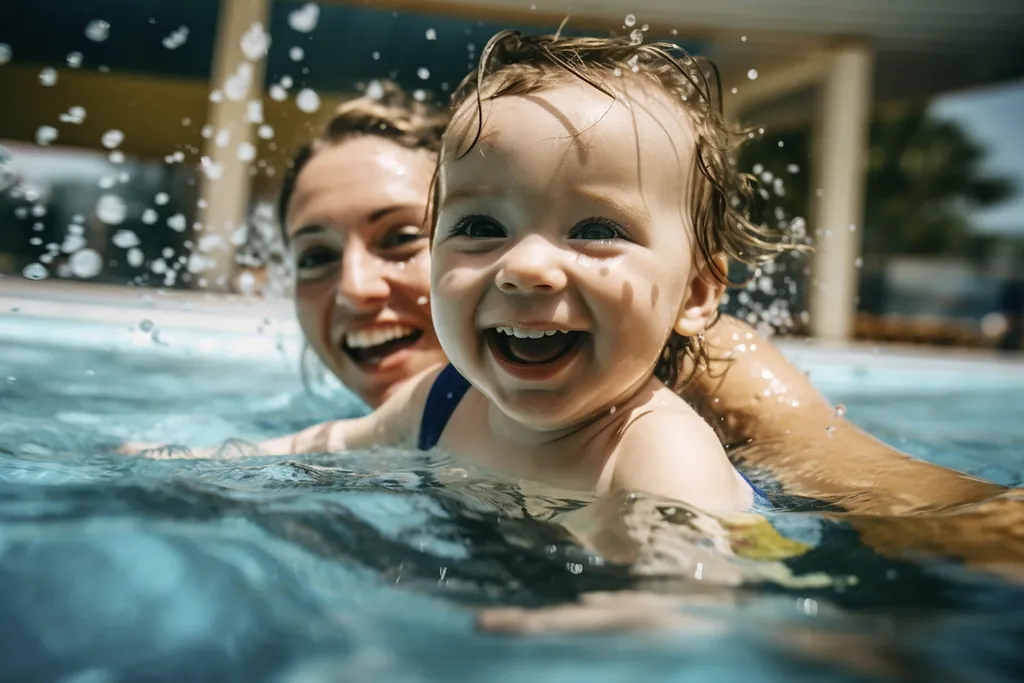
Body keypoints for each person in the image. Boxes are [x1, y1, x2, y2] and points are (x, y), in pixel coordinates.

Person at [128, 74, 1007, 515]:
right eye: (314, 255)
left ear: (691, 293)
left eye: (397, 235)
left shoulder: (707, 375)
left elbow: (907, 502)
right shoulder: (434, 404)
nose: (355, 288)